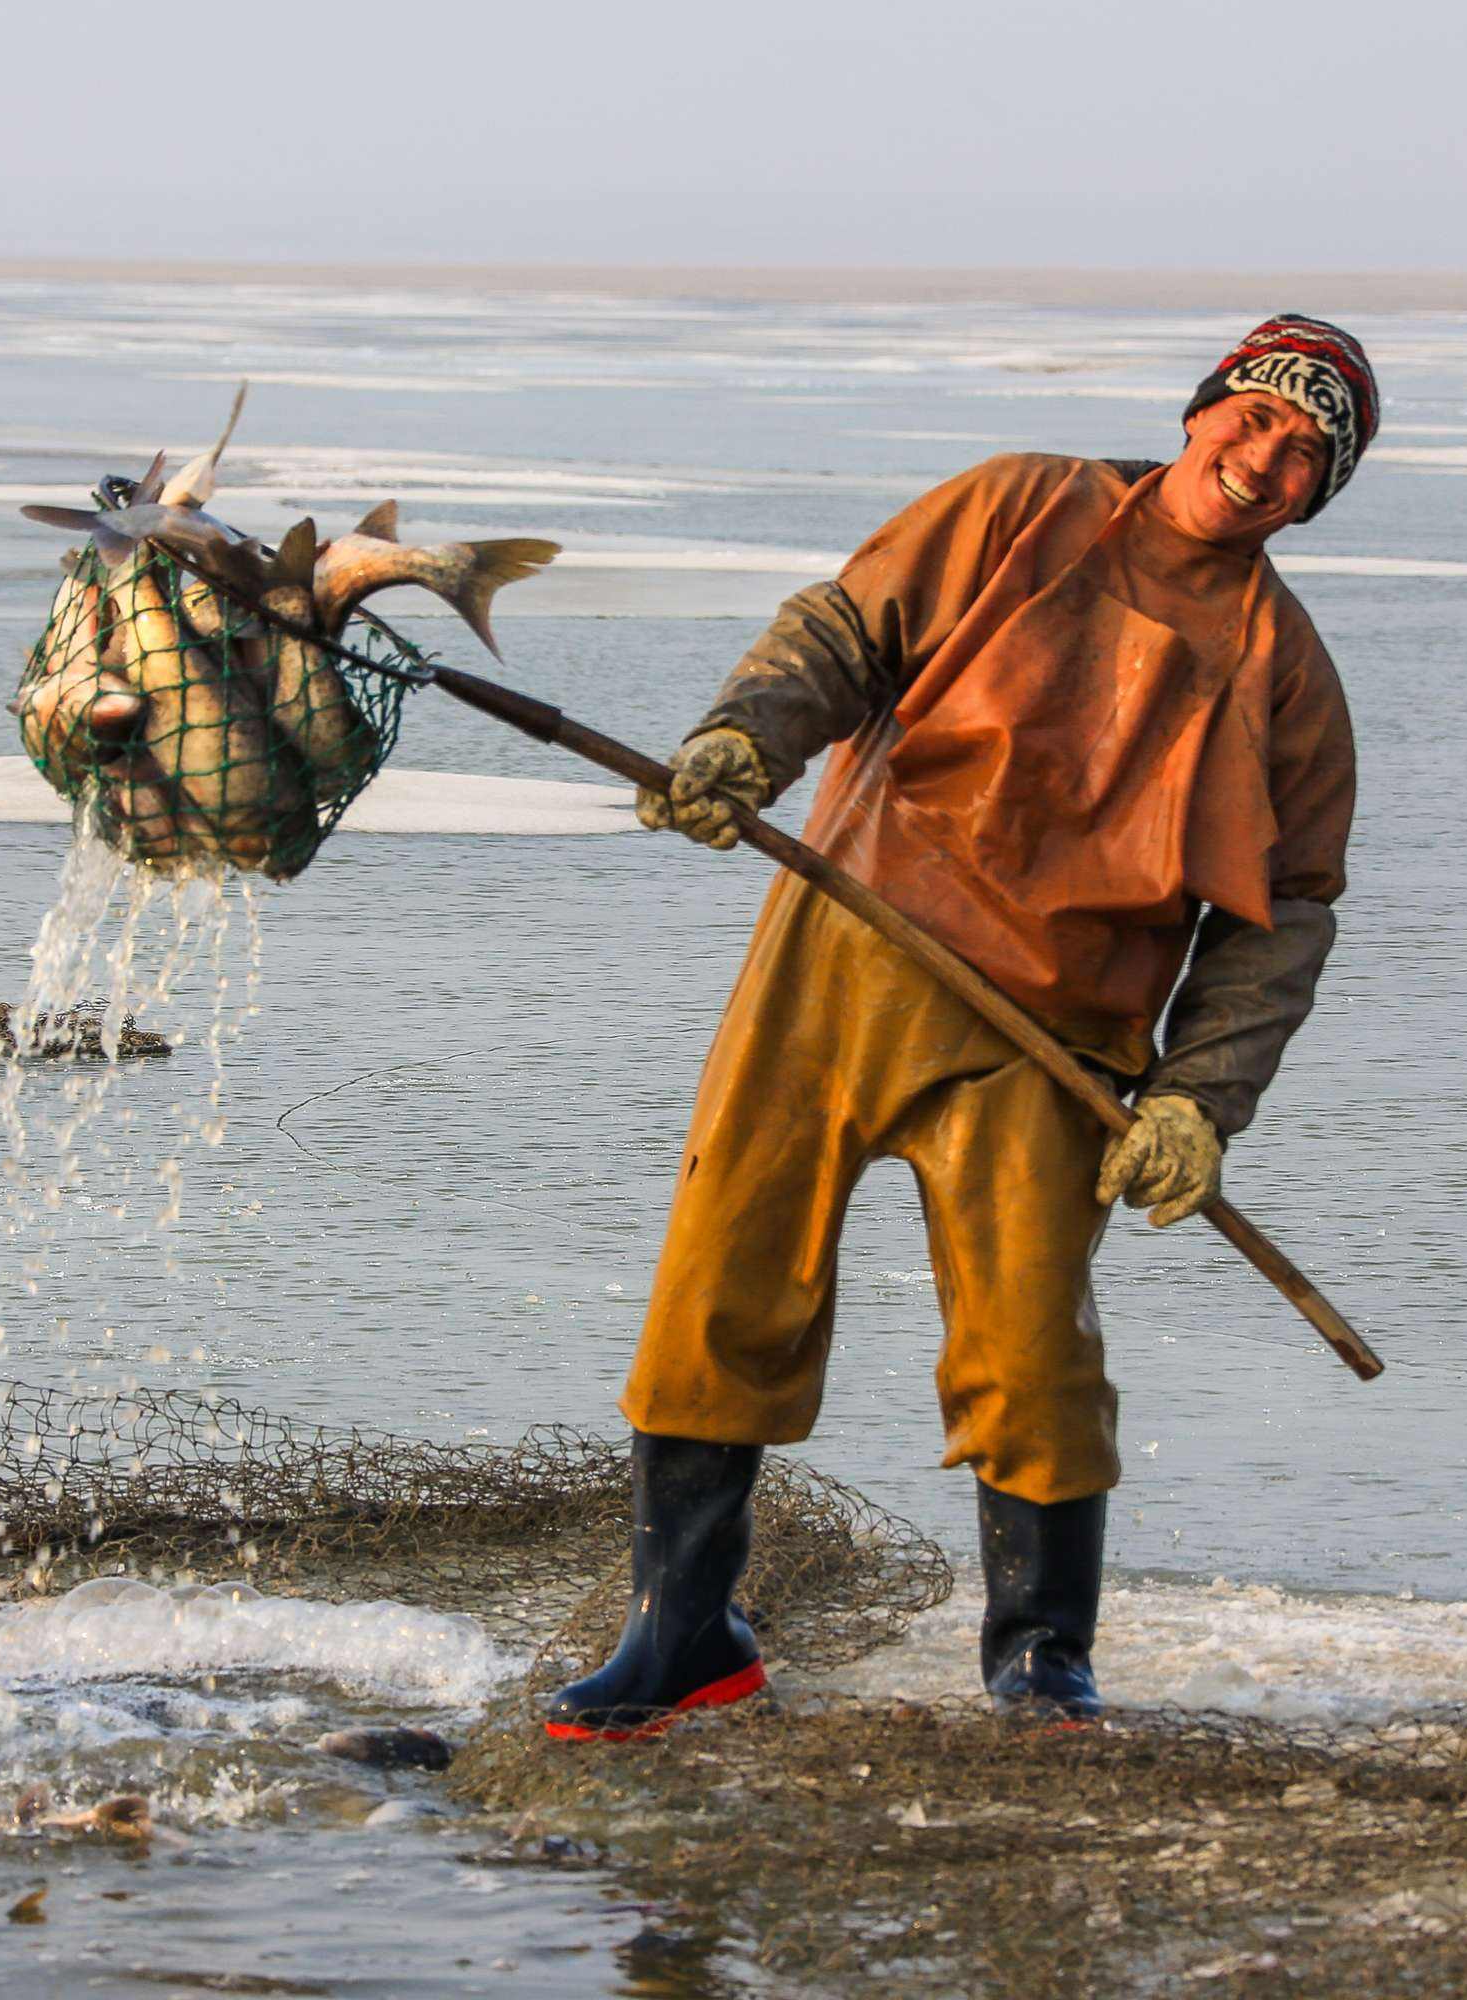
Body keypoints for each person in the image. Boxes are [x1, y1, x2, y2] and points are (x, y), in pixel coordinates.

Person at [543, 316, 1377, 1738]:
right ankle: (682, 1634)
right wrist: (744, 737)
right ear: (1201, 412)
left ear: (1314, 496)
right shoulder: (1016, 504)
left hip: (1053, 1035)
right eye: (1255, 421)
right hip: (846, 952)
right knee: (723, 1283)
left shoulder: (1288, 682)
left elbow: (1282, 914)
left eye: (1307, 457)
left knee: (1031, 1349)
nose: (1264, 462)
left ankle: (1042, 1663)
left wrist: (1199, 1100)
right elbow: (840, 634)